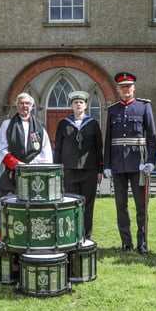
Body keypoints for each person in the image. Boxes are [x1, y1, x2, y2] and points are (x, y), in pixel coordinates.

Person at [104, 72, 156, 255]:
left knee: (141, 205)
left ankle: (142, 243)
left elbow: (151, 136)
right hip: (118, 165)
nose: (125, 89)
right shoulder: (112, 110)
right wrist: (107, 165)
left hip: (139, 164)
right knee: (121, 205)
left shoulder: (144, 107)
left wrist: (151, 160)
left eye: (128, 86)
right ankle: (126, 242)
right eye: (122, 87)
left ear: (133, 88)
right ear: (118, 89)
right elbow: (108, 140)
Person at [0, 92, 52, 237]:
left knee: (31, 209)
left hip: (33, 177)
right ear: (16, 105)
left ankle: (29, 238)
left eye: (27, 103)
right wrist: (18, 164)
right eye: (21, 103)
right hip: (11, 175)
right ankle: (4, 239)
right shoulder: (7, 125)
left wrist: (29, 166)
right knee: (7, 207)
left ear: (32, 106)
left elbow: (46, 152)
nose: (25, 106)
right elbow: (0, 149)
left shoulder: (40, 126)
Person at [54, 91, 104, 239]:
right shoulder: (63, 123)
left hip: (89, 169)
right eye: (75, 102)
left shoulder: (93, 124)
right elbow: (58, 148)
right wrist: (58, 170)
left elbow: (98, 148)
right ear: (71, 105)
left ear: (86, 105)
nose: (78, 104)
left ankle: (86, 235)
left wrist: (100, 169)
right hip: (69, 170)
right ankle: (72, 234)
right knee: (71, 203)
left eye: (81, 102)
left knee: (88, 204)